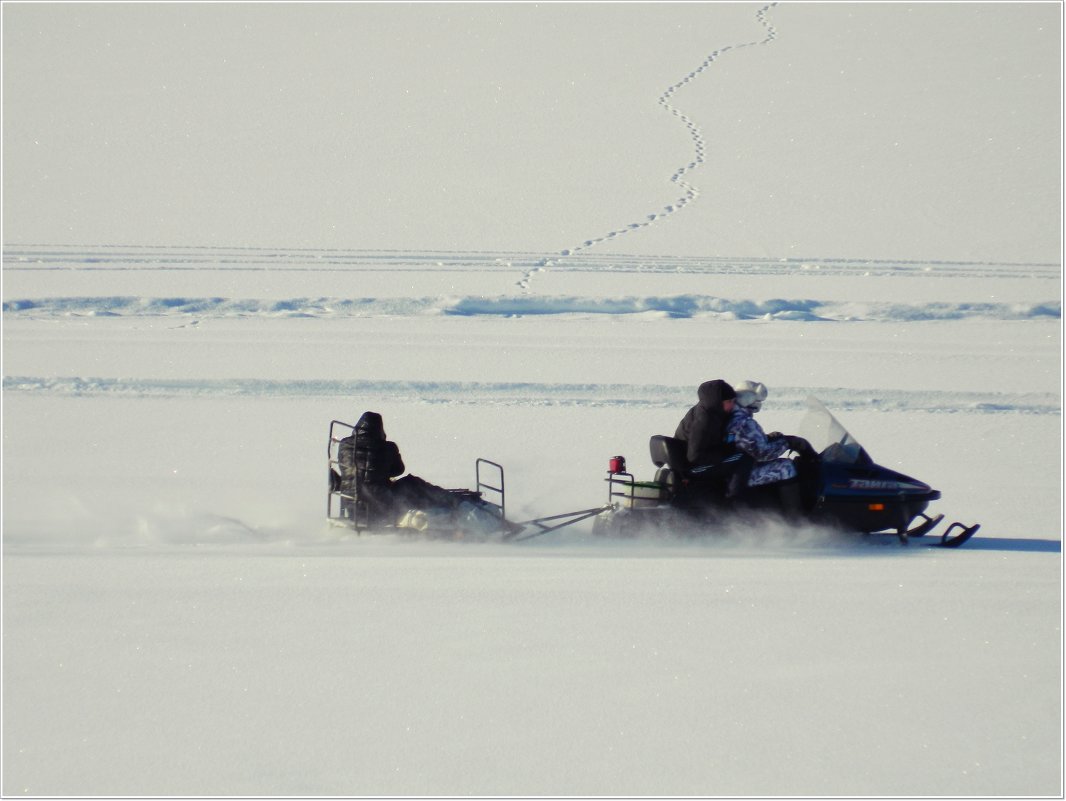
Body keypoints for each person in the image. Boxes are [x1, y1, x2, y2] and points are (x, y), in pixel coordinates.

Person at [338, 411, 463, 525]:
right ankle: (453, 502)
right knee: (412, 483)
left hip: (352, 506)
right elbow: (398, 470)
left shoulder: (344, 445)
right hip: (380, 506)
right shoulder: (387, 447)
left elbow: (344, 468)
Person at [726, 380, 812, 513]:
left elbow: (749, 443)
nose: (759, 404)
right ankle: (795, 519)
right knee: (785, 467)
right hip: (741, 474)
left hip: (736, 467)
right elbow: (763, 453)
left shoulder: (733, 415)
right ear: (749, 399)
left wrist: (769, 438)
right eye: (758, 400)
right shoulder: (743, 422)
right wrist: (789, 443)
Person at [674, 379, 737, 468]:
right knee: (741, 461)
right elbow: (695, 456)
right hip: (691, 466)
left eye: (734, 401)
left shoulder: (712, 412)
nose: (732, 405)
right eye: (729, 402)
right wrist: (726, 452)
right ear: (717, 402)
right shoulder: (705, 420)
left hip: (696, 460)